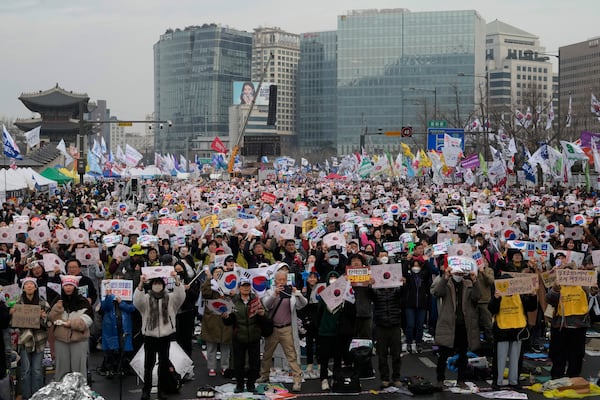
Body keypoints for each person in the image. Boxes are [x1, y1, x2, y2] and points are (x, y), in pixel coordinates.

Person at [134, 271, 185, 400]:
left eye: (159, 283)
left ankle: (161, 391)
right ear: (151, 285)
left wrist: (176, 279)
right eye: (155, 283)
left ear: (163, 285)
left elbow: (181, 296)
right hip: (149, 336)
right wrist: (140, 283)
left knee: (163, 365)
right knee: (148, 366)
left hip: (165, 336)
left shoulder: (170, 298)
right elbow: (136, 302)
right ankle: (146, 390)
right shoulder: (146, 298)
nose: (157, 285)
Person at [256, 269, 307, 393]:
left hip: (286, 328)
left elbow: (303, 304)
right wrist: (275, 294)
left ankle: (297, 380)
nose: (281, 282)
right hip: (273, 328)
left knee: (291, 355)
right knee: (267, 354)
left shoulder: (291, 292)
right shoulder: (270, 292)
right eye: (279, 279)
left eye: (283, 279)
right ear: (275, 280)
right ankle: (264, 375)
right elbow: (266, 305)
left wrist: (298, 294)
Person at [431, 266, 481, 386]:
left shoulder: (468, 283)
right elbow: (437, 292)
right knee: (444, 353)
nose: (459, 274)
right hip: (448, 323)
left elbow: (477, 297)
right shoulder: (446, 283)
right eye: (456, 271)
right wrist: (445, 277)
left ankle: (461, 379)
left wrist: (475, 281)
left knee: (463, 354)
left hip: (464, 323)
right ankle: (440, 379)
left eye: (461, 272)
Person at [488, 278, 537, 389]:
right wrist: (496, 298)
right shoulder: (498, 294)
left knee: (515, 358)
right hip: (502, 331)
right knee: (500, 359)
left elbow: (531, 307)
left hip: (517, 330)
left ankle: (514, 381)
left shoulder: (519, 294)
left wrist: (533, 296)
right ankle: (497, 381)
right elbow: (491, 308)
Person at [546, 262, 592, 379]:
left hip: (578, 325)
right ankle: (557, 377)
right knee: (559, 354)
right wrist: (555, 289)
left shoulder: (582, 286)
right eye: (565, 273)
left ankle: (574, 376)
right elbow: (550, 299)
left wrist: (594, 290)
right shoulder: (558, 286)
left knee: (577, 354)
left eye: (570, 272)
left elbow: (591, 295)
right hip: (560, 326)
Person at [48, 275, 94, 380]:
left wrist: (72, 324)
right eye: (66, 285)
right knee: (61, 370)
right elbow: (50, 319)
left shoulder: (83, 301)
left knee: (78, 371)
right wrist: (56, 309)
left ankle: (79, 393)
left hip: (78, 340)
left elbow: (88, 320)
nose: (68, 288)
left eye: (70, 285)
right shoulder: (57, 300)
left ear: (75, 287)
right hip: (60, 340)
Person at [316, 271, 355, 391]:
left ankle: (336, 377)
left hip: (338, 331)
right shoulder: (324, 295)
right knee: (325, 357)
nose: (333, 280)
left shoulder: (344, 295)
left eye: (335, 278)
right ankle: (323, 379)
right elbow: (318, 314)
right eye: (331, 277)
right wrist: (321, 327)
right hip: (325, 331)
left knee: (338, 357)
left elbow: (351, 312)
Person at [223, 278, 264, 393]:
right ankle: (240, 385)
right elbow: (228, 322)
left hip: (254, 336)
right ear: (239, 288)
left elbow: (263, 316)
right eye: (243, 286)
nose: (246, 288)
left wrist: (262, 314)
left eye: (248, 286)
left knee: (254, 363)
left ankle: (251, 384)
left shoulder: (256, 299)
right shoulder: (233, 301)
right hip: (239, 336)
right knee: (238, 363)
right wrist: (225, 317)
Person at [12, 276, 51, 399]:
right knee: (25, 370)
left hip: (39, 339)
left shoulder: (42, 302)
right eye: (26, 285)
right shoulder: (18, 303)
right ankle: (26, 396)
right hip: (24, 340)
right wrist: (12, 314)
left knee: (37, 370)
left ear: (35, 287)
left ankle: (37, 396)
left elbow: (49, 323)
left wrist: (44, 316)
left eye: (31, 284)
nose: (29, 286)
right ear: (23, 288)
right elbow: (12, 325)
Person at [369, 273, 404, 388]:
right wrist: (370, 285)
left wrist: (403, 284)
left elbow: (404, 294)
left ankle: (396, 377)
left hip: (395, 324)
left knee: (396, 353)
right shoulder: (376, 290)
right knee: (382, 354)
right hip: (381, 325)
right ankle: (385, 378)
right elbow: (370, 296)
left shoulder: (396, 289)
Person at [99, 271, 136, 378]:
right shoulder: (106, 294)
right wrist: (109, 296)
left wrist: (121, 303)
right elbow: (104, 307)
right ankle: (111, 368)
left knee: (123, 346)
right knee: (111, 347)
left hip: (124, 324)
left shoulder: (128, 295)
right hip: (110, 325)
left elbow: (132, 308)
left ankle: (123, 368)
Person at [403, 259, 432, 353]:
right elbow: (403, 270)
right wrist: (407, 260)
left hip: (422, 304)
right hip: (410, 304)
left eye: (418, 266)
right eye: (414, 266)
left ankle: (418, 343)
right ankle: (409, 343)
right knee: (410, 325)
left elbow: (429, 270)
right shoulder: (408, 276)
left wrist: (426, 261)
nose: (416, 267)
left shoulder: (423, 276)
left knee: (420, 326)